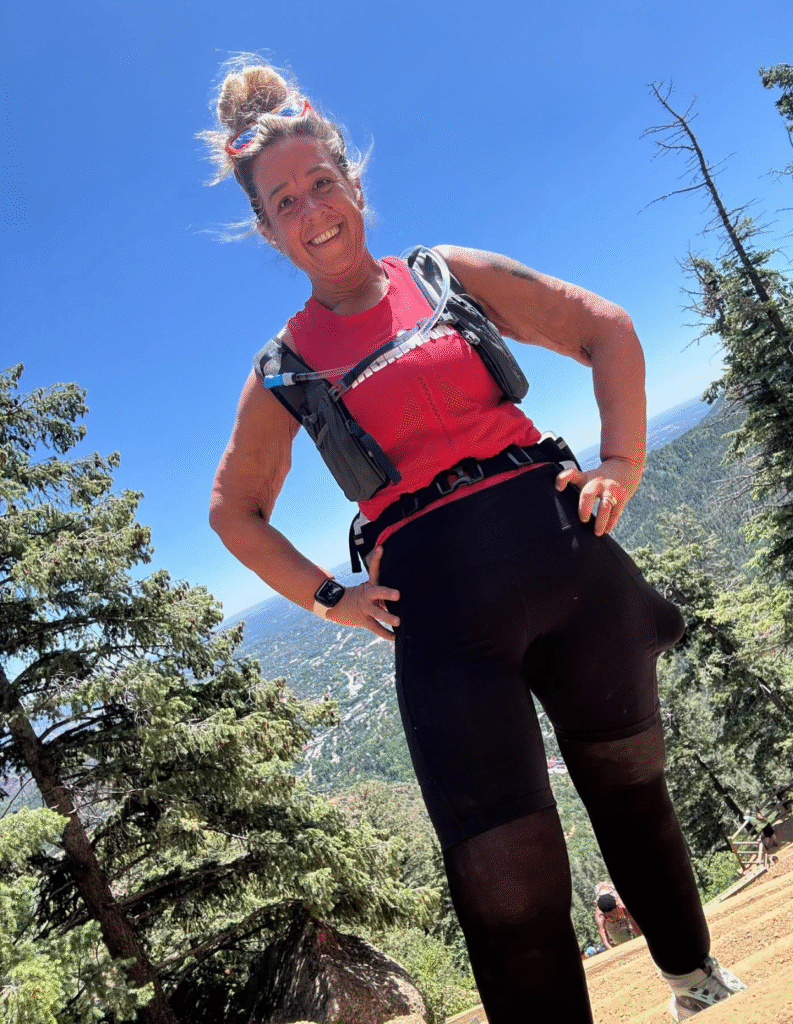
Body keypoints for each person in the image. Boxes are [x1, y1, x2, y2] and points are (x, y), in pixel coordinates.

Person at [203, 60, 747, 1024]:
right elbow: (231, 512)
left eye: (321, 182)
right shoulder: (283, 368)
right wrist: (332, 598)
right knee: (501, 869)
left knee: (631, 784)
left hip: (565, 556)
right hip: (442, 616)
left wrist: (621, 458)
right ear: (266, 228)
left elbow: (604, 328)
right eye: (285, 200)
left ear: (352, 180)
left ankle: (692, 976)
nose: (312, 209)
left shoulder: (441, 275)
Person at [594, 880, 642, 949]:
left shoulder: (622, 905)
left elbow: (634, 924)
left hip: (623, 914)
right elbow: (605, 941)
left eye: (614, 913)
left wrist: (641, 940)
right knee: (623, 943)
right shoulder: (599, 915)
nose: (613, 916)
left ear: (616, 906)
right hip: (612, 924)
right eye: (609, 915)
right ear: (604, 913)